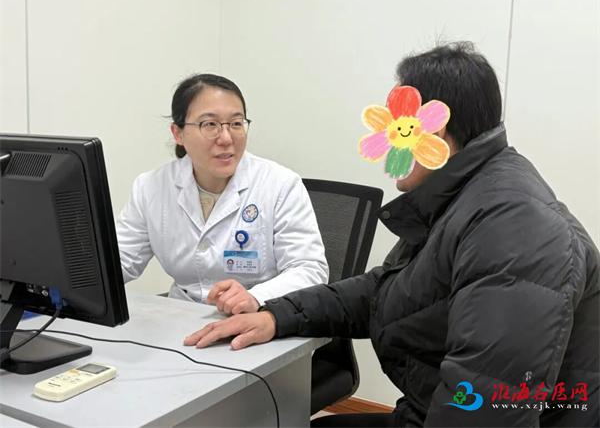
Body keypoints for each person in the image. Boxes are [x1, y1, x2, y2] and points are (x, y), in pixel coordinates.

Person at [183, 43, 599, 427]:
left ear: (434, 130)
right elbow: (384, 292)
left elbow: (483, 411)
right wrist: (277, 314)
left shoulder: (513, 229)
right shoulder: (464, 197)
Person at [117, 74, 328, 314]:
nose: (226, 138)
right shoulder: (151, 187)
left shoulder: (280, 184)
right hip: (180, 317)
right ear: (178, 133)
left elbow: (310, 270)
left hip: (258, 318)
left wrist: (256, 297)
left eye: (236, 124)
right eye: (210, 124)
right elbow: (117, 263)